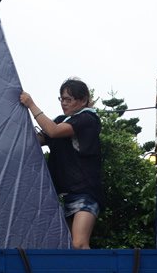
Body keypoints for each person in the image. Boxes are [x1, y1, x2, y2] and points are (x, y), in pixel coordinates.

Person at [20, 78, 103, 249]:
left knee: (79, 243)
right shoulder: (62, 119)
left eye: (69, 99)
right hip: (63, 194)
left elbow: (54, 131)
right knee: (67, 246)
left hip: (85, 193)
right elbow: (39, 139)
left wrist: (31, 104)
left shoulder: (88, 119)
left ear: (82, 101)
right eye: (62, 99)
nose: (64, 103)